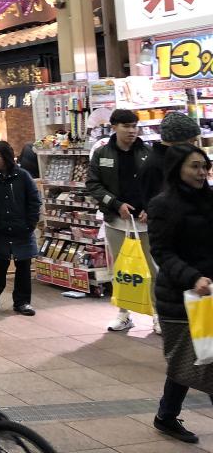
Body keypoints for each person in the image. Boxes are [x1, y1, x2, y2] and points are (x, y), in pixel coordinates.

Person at [147, 144, 213, 444]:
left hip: (209, 294)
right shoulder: (163, 205)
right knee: (204, 362)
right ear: (178, 170)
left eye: (204, 166)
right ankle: (167, 415)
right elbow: (162, 252)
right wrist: (193, 277)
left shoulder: (210, 199)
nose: (201, 172)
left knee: (192, 360)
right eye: (194, 166)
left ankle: (166, 415)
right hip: (183, 299)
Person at [86, 108, 154, 333]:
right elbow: (93, 184)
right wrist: (116, 204)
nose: (132, 131)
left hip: (145, 222)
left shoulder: (147, 152)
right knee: (121, 268)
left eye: (135, 126)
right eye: (126, 126)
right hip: (116, 220)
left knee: (151, 269)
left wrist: (150, 208)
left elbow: (159, 185)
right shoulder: (102, 153)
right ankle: (124, 314)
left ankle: (157, 315)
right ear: (114, 127)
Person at [0, 141, 41, 315]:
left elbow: (34, 200)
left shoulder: (23, 176)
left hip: (22, 229)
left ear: (7, 157)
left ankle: (22, 302)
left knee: (24, 266)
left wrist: (30, 223)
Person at [139, 112, 201, 201]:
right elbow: (156, 207)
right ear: (176, 140)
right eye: (191, 141)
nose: (194, 147)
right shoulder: (154, 167)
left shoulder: (175, 159)